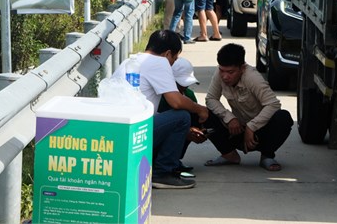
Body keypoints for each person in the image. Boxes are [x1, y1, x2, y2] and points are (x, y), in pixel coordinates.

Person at [113, 30, 209, 189]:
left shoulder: (129, 61)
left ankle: (156, 166)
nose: (172, 63)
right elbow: (176, 102)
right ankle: (162, 173)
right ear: (168, 54)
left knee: (167, 118)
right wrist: (200, 109)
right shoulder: (159, 62)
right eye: (174, 59)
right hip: (134, 133)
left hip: (119, 133)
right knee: (182, 117)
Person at [203, 43, 293, 171]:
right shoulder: (219, 74)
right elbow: (211, 99)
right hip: (236, 130)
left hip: (260, 132)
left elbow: (273, 104)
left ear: (242, 68)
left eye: (230, 72)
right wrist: (229, 118)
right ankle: (229, 155)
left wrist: (252, 126)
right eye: (222, 70)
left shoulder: (253, 77)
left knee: (283, 117)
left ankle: (267, 156)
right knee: (203, 114)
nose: (225, 76)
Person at [158, 57, 208, 176]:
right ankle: (162, 163)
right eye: (180, 83)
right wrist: (186, 132)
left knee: (195, 117)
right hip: (161, 137)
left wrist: (198, 132)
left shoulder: (189, 94)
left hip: (180, 134)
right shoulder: (160, 96)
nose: (184, 87)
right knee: (182, 117)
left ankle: (174, 159)